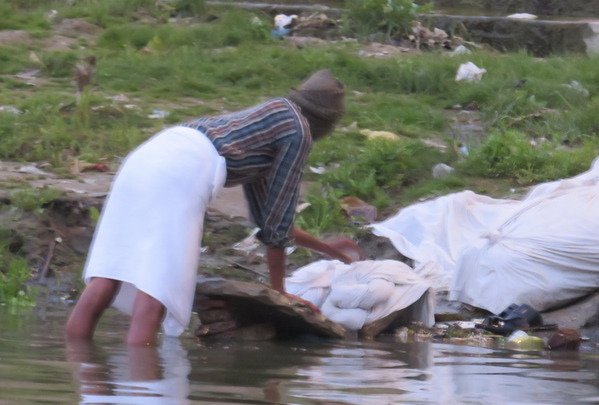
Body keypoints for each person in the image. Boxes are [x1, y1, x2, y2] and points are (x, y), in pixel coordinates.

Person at [65, 69, 362, 346]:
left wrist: (328, 249)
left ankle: (82, 370)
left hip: (149, 156)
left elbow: (268, 220)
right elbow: (278, 223)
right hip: (183, 169)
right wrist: (280, 294)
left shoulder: (269, 121)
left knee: (109, 274)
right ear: (326, 122)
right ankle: (144, 389)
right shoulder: (299, 131)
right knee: (156, 287)